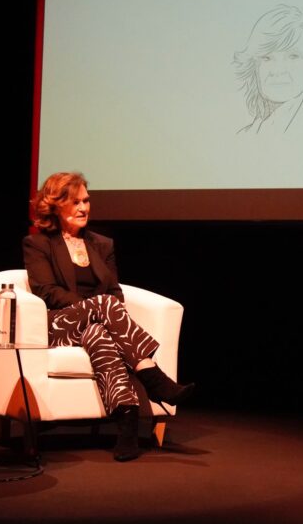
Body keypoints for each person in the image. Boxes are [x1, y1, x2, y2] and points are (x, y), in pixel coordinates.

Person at [23, 171, 194, 462]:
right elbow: (47, 291)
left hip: (94, 325)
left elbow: (115, 293)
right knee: (102, 307)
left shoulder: (102, 245)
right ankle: (152, 376)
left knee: (98, 334)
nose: (84, 208)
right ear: (56, 205)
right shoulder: (38, 244)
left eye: (86, 201)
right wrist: (93, 307)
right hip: (58, 324)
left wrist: (100, 312)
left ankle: (126, 421)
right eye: (75, 202)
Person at [233, 4, 303, 134]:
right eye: (267, 58)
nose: (277, 70)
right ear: (254, 66)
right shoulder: (245, 135)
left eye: (293, 56)